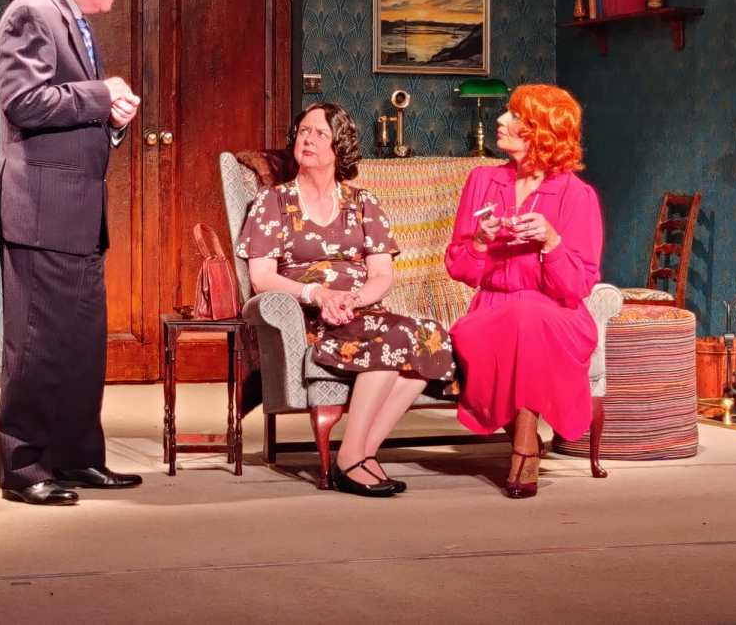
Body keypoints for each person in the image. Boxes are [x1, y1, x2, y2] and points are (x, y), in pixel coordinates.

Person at [0, 0, 142, 506]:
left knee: (80, 345)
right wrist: (102, 94)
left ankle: (76, 458)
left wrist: (111, 118)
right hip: (40, 209)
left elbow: (67, 111)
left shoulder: (72, 20)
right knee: (37, 345)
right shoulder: (31, 14)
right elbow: (23, 103)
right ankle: (24, 467)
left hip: (76, 211)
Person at [236, 102, 455, 497]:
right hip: (313, 319)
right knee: (390, 342)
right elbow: (262, 277)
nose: (308, 139)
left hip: (360, 312)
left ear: (340, 146)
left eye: (320, 133)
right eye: (304, 131)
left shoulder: (363, 202)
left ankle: (361, 453)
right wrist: (318, 294)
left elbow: (382, 274)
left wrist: (353, 300)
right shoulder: (273, 202)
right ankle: (352, 459)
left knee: (431, 335)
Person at [445, 84, 603, 499]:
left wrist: (551, 241)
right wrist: (480, 241)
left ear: (543, 131)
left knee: (528, 320)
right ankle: (527, 441)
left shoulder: (576, 195)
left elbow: (577, 286)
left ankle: (523, 448)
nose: (501, 120)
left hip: (557, 313)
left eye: (515, 117)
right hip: (492, 308)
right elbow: (459, 267)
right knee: (514, 323)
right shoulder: (482, 181)